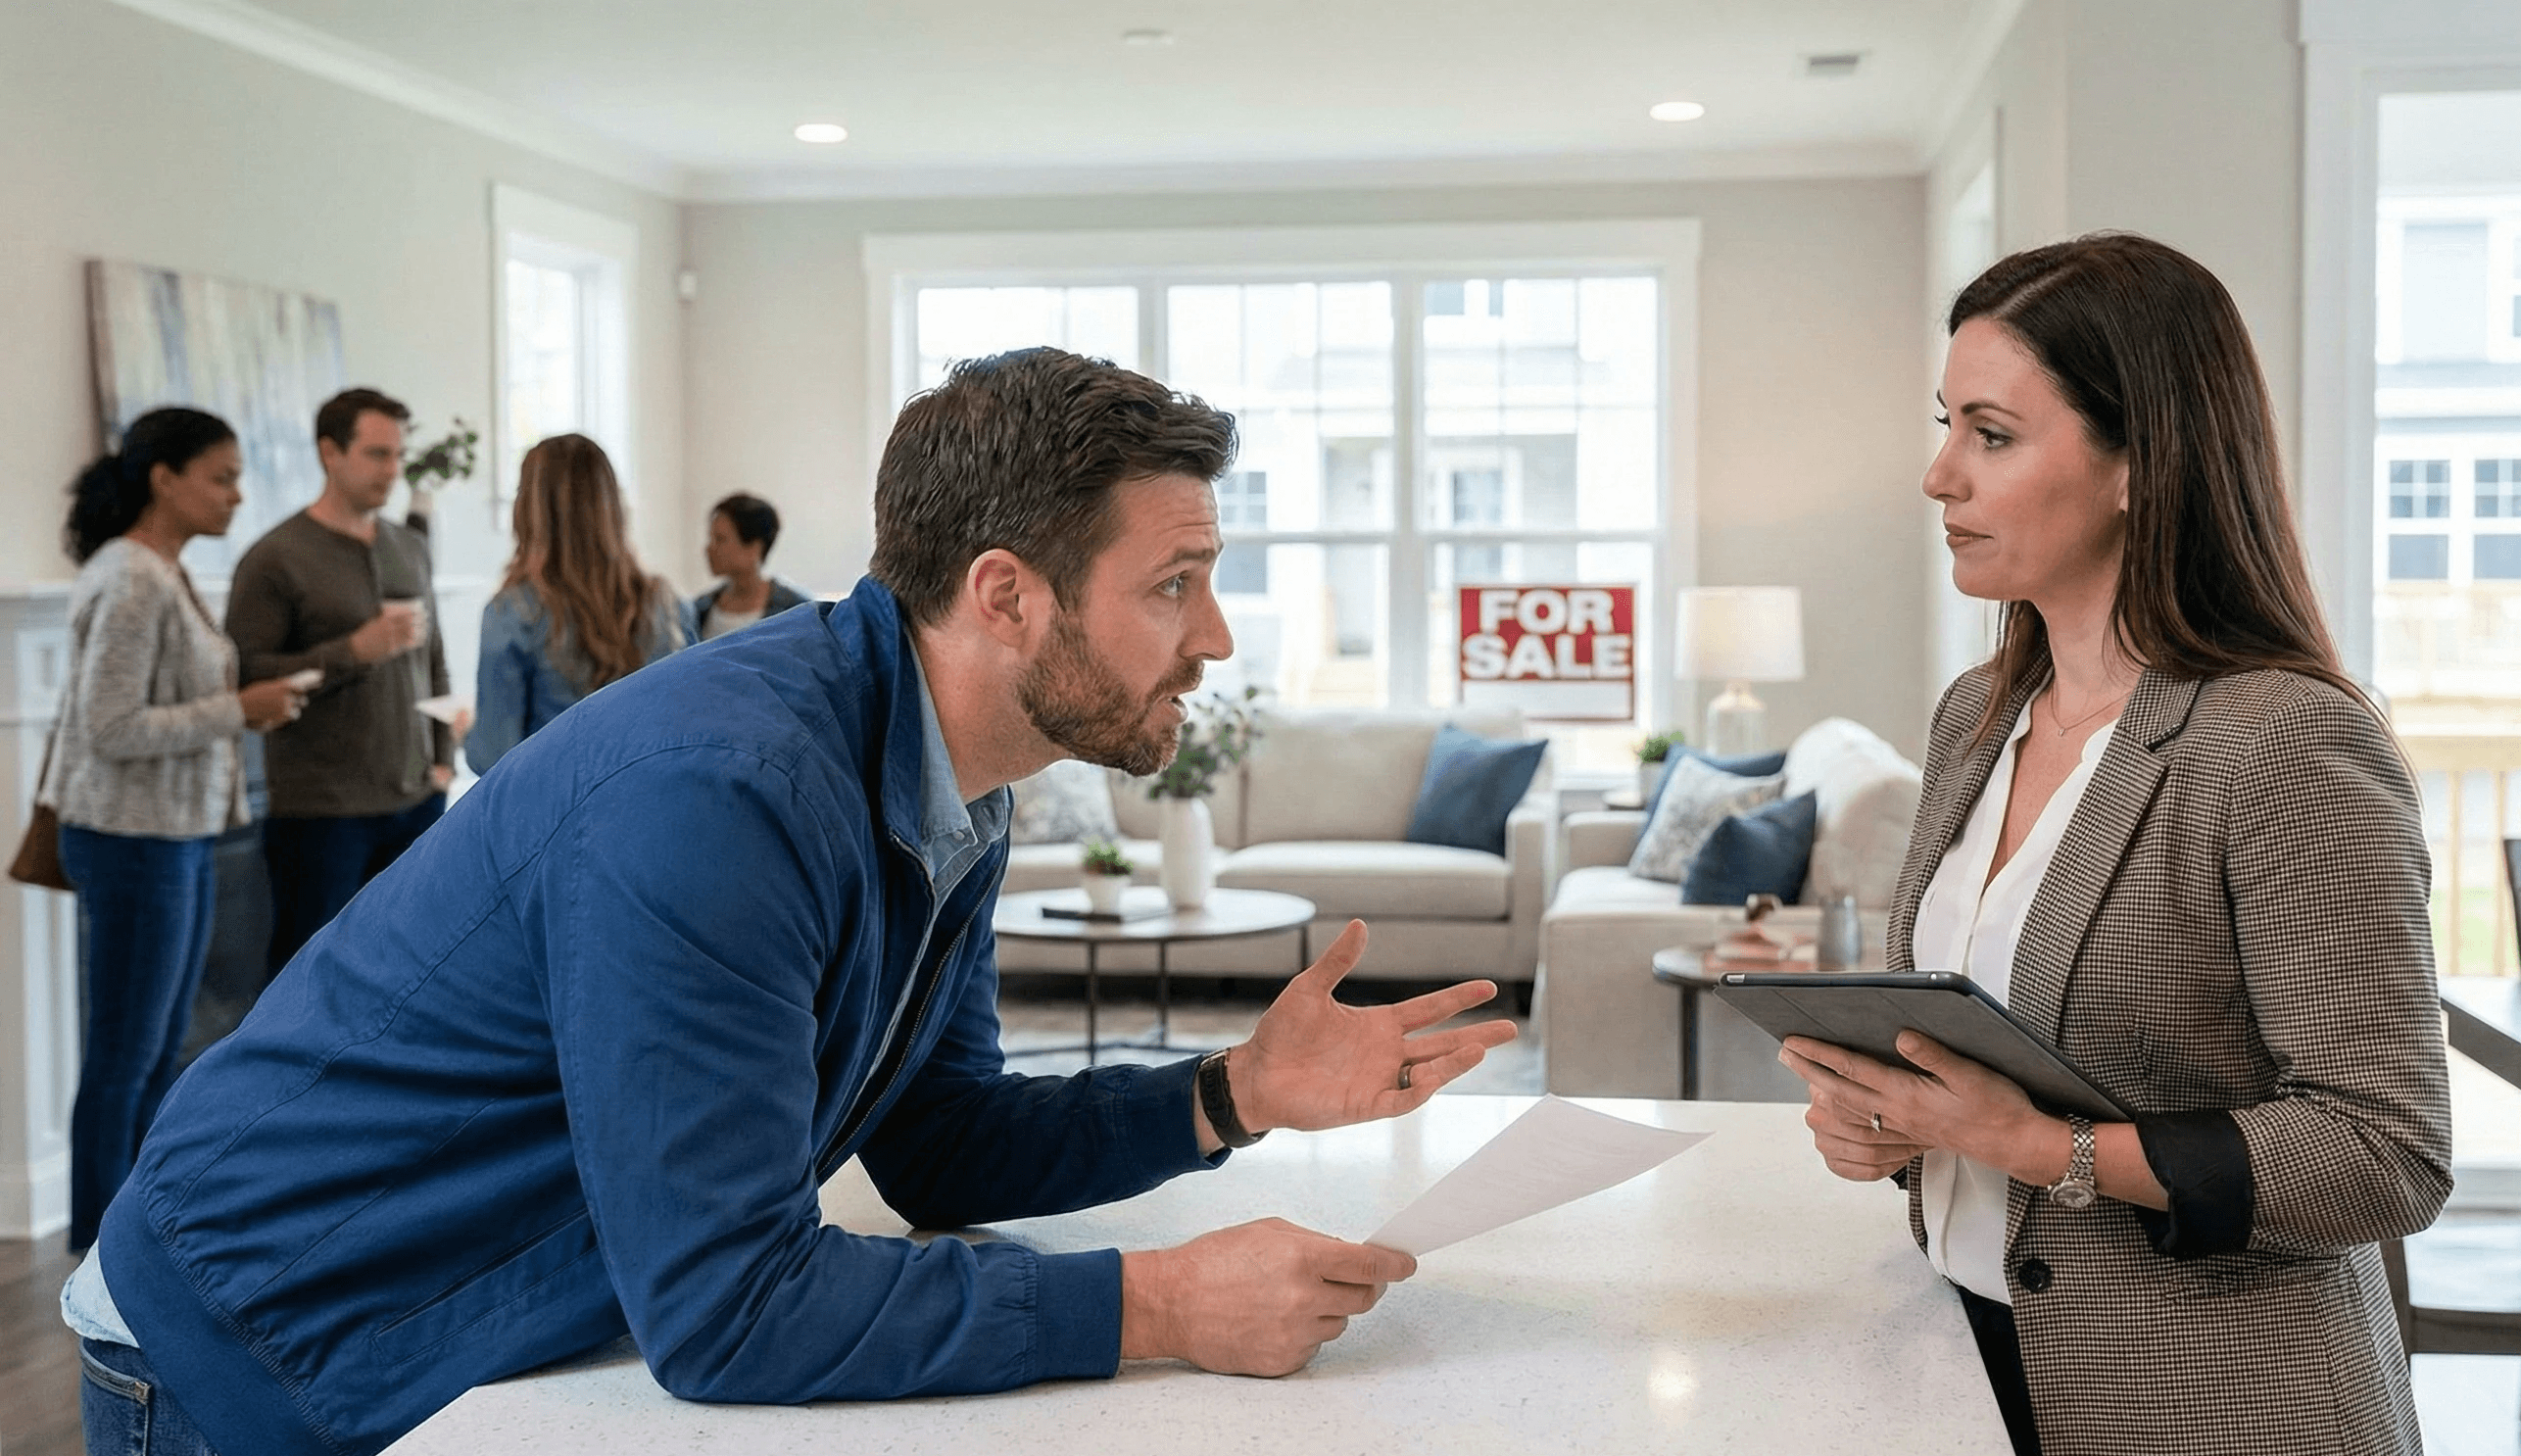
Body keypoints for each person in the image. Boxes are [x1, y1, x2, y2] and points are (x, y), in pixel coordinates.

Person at [64, 347, 1518, 1456]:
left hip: (460, 1311)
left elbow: (934, 1143)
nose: (1211, 635)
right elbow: (729, 1306)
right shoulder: (724, 792)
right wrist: (1160, 1303)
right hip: (248, 1334)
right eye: (1175, 584)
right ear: (1005, 594)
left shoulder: (952, 770)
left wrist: (1232, 1091)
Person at [1777, 234, 2451, 1455]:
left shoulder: (2284, 742)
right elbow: (1956, 1047)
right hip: (1962, 1359)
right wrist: (1884, 1124)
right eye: (1946, 425)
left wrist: (2036, 1147)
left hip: (2220, 1406)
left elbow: (2382, 1151)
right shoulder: (1973, 717)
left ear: (2139, 463)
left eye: (1989, 433)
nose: (1938, 476)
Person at [41, 408, 310, 1253]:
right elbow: (110, 726)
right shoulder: (131, 577)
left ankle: (132, 1244)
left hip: (174, 836)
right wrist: (240, 710)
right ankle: (98, 1251)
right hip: (133, 839)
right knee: (127, 1056)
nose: (237, 495)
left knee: (157, 1051)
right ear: (165, 478)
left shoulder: (161, 569)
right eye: (222, 476)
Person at [224, 387, 460, 977]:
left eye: (397, 455)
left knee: (414, 973)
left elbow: (432, 658)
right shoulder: (273, 558)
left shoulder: (409, 547)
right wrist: (354, 651)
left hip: (417, 801)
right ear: (330, 452)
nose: (392, 471)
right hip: (321, 815)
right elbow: (246, 676)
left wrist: (442, 762)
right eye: (377, 454)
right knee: (310, 979)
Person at [467, 434, 692, 775]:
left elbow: (494, 757)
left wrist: (464, 733)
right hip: (654, 806)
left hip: (558, 813)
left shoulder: (514, 613)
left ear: (529, 510)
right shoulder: (666, 604)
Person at [690, 491, 810, 640]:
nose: (709, 549)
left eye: (720, 539)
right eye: (711, 539)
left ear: (754, 547)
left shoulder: (796, 610)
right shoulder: (699, 610)